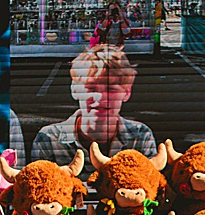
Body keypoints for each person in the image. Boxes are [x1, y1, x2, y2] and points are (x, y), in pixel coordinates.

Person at [31, 45, 157, 179]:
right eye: (91, 88)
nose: (100, 98)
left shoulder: (140, 137)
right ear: (75, 90)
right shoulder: (49, 139)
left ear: (126, 92)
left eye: (111, 89)